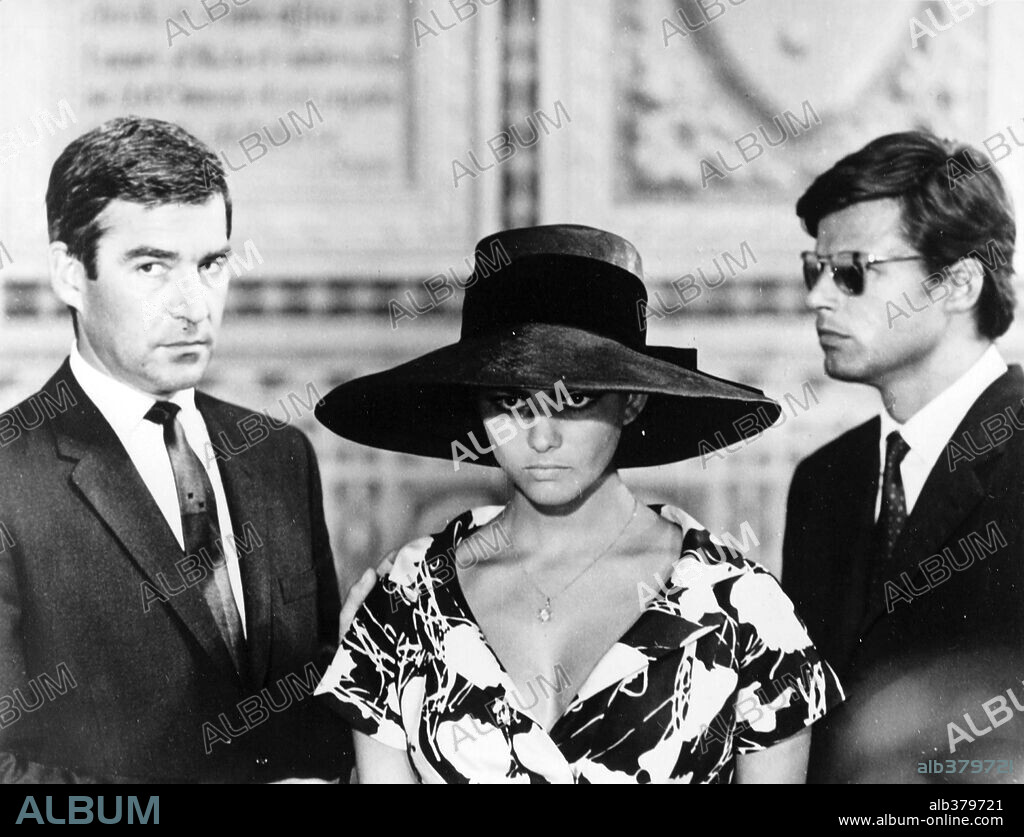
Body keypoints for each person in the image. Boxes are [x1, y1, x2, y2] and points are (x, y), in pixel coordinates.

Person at [314, 224, 843, 783]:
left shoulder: (741, 608)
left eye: (576, 398)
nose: (541, 437)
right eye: (510, 400)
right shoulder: (406, 598)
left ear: (633, 400)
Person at [0, 116, 351, 783]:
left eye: (211, 265)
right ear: (70, 275)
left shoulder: (279, 454)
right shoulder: (8, 476)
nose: (193, 306)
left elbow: (322, 711)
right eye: (152, 267)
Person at [782, 131, 1024, 783]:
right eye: (814, 269)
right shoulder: (823, 479)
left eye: (853, 271)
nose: (818, 298)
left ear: (959, 283)